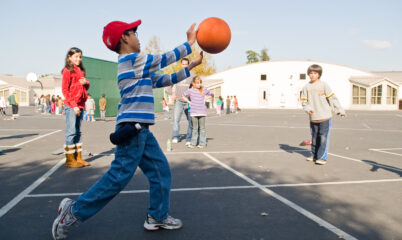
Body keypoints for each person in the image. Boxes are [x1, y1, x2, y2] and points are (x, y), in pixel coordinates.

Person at [52, 20, 203, 240]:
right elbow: (162, 59)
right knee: (117, 178)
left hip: (142, 130)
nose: (138, 37)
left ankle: (157, 216)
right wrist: (189, 43)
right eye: (134, 32)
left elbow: (163, 80)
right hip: (132, 129)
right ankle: (72, 213)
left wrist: (188, 68)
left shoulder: (136, 66)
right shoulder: (131, 60)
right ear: (124, 37)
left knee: (161, 172)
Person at [300, 64, 346, 165]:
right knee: (314, 137)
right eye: (311, 73)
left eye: (315, 73)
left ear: (319, 74)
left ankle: (321, 157)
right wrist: (308, 109)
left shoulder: (324, 85)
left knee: (323, 137)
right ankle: (314, 154)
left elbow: (332, 99)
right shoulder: (306, 87)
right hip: (313, 118)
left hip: (325, 116)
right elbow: (304, 102)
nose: (312, 75)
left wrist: (340, 111)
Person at [60, 47, 91, 169]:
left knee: (78, 132)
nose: (79, 59)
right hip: (72, 105)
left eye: (80, 56)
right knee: (71, 132)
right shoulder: (67, 71)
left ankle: (78, 158)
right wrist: (73, 105)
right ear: (69, 57)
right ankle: (70, 159)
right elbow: (65, 90)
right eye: (76, 56)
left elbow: (84, 88)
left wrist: (86, 83)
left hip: (80, 105)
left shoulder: (80, 70)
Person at [182, 76, 214, 148]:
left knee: (202, 128)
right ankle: (193, 143)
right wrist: (189, 102)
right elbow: (183, 95)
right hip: (193, 112)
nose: (199, 84)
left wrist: (207, 97)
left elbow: (212, 94)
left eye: (200, 83)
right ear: (193, 83)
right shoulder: (190, 90)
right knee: (194, 129)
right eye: (197, 83)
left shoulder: (203, 90)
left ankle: (202, 143)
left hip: (202, 112)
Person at [168, 57, 194, 145]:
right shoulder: (176, 75)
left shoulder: (192, 75)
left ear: (188, 65)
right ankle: (175, 137)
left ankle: (189, 138)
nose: (184, 66)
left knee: (191, 120)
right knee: (176, 120)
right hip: (178, 101)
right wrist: (172, 93)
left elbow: (197, 87)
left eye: (186, 64)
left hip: (189, 101)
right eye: (183, 64)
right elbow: (169, 84)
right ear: (181, 65)